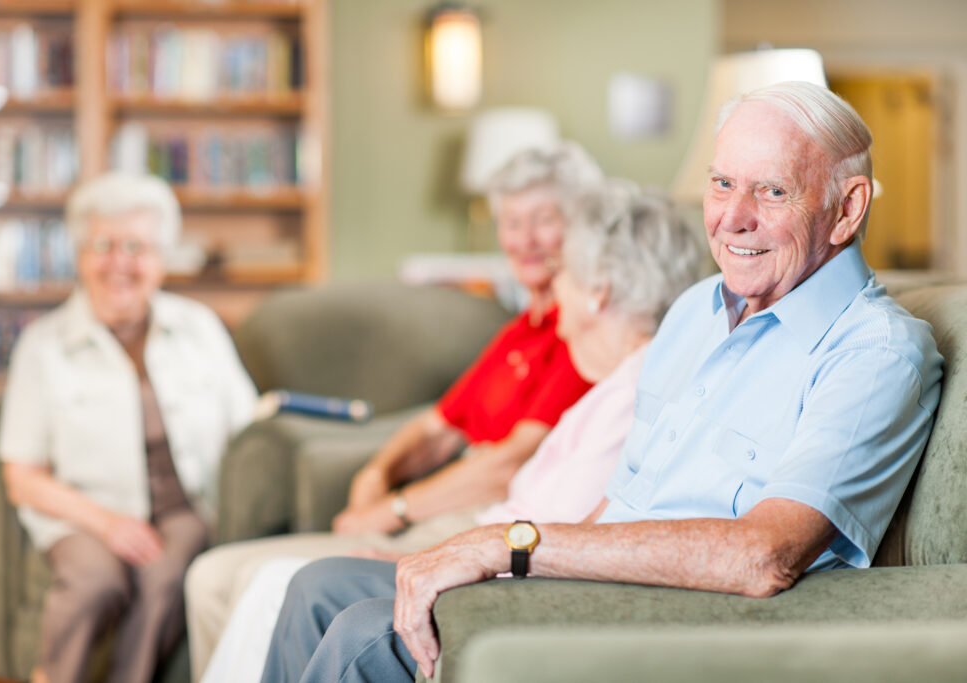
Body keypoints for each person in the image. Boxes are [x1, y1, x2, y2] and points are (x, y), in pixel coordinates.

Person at [260, 81, 944, 683]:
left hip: (675, 615)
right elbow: (621, 501)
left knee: (362, 639)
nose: (733, 217)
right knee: (318, 587)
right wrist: (506, 564)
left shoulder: (876, 351)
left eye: (771, 191)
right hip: (586, 580)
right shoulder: (696, 309)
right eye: (721, 182)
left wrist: (514, 543)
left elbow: (766, 553)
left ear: (848, 208)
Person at [196, 179, 702, 683]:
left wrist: (418, 543)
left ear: (599, 294)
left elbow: (566, 538)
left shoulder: (632, 395)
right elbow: (443, 425)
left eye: (561, 268)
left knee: (315, 587)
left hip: (507, 578)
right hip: (488, 553)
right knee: (310, 584)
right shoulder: (610, 382)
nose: (552, 282)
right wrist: (385, 487)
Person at [0, 172, 258, 683]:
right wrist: (109, 524)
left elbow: (248, 427)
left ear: (160, 260)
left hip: (183, 507)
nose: (120, 262)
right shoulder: (43, 346)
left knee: (164, 577)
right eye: (104, 245)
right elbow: (22, 476)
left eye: (136, 246)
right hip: (84, 511)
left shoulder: (199, 329)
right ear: (81, 255)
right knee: (94, 581)